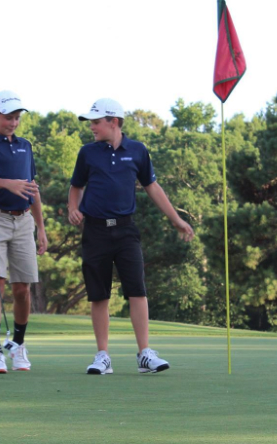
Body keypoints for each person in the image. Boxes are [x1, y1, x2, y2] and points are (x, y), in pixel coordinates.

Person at [67, 98, 194, 375]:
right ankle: (103, 356)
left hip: (126, 230)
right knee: (98, 295)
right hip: (95, 231)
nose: (92, 127)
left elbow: (153, 187)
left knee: (137, 290)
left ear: (114, 121)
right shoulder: (87, 153)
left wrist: (176, 220)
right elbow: (76, 186)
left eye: (96, 122)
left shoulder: (137, 150)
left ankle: (145, 355)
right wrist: (72, 208)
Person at [0, 90, 47, 373]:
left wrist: (41, 228)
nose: (13, 123)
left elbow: (32, 188)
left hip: (24, 221)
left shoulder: (26, 146)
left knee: (22, 289)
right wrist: (7, 184)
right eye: (8, 118)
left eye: (17, 118)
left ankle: (18, 344)